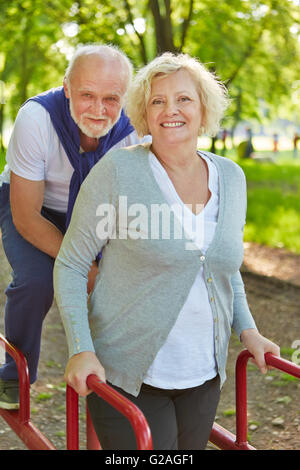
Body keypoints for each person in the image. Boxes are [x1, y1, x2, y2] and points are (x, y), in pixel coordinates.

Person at [53, 52, 280, 450]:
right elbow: (72, 263)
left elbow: (222, 269)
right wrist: (81, 350)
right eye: (157, 101)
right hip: (126, 375)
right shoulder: (119, 172)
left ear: (204, 108)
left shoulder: (231, 177)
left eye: (184, 99)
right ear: (143, 112)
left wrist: (249, 332)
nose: (170, 110)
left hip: (203, 377)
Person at [0, 44, 148, 409]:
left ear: (126, 96)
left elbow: (134, 208)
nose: (98, 110)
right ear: (67, 87)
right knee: (36, 281)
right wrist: (84, 265)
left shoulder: (136, 129)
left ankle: (128, 377)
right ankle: (14, 374)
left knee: (124, 280)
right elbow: (26, 216)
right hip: (34, 207)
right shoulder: (36, 118)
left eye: (111, 98)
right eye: (87, 95)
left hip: (97, 211)